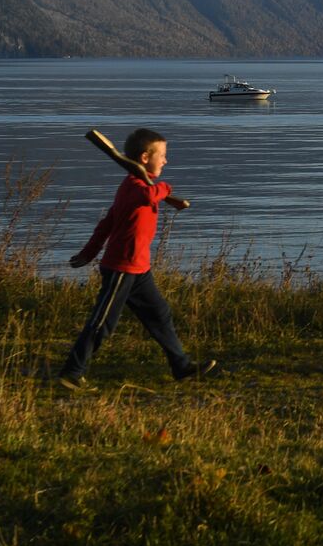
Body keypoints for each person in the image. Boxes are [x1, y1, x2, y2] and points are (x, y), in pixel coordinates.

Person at [57, 127, 216, 390]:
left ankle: (182, 367)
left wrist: (89, 252)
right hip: (121, 268)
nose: (166, 160)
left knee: (160, 314)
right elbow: (138, 203)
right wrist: (166, 188)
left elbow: (108, 223)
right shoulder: (135, 187)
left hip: (139, 268)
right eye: (162, 155)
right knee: (102, 323)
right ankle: (72, 372)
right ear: (144, 158)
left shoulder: (140, 186)